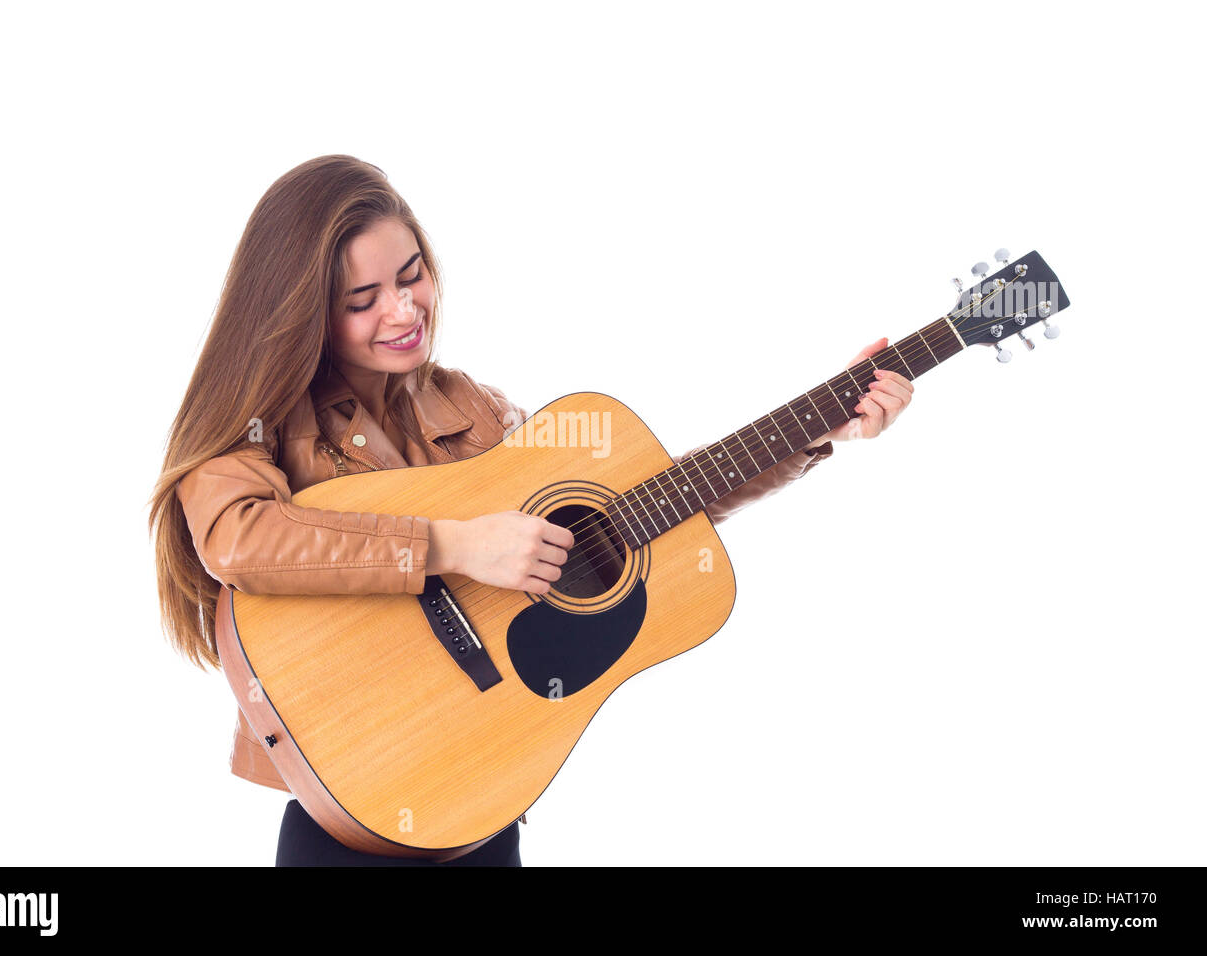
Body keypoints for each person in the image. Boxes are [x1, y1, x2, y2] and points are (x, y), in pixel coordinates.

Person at [148, 155, 914, 867]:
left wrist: (816, 431)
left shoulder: (472, 409)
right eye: (362, 300)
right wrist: (452, 545)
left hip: (484, 786)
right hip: (347, 800)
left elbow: (641, 508)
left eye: (412, 275)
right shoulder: (263, 420)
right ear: (301, 308)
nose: (403, 308)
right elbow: (237, 536)